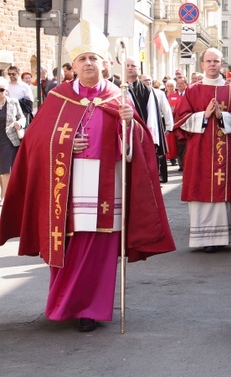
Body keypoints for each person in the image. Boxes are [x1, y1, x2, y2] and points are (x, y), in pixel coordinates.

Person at [0, 20, 175, 332]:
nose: (88, 63)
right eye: (83, 59)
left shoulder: (118, 98)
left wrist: (130, 125)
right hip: (68, 186)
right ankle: (65, 304)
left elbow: (140, 147)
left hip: (109, 183)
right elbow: (36, 142)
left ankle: (91, 310)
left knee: (100, 247)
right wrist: (64, 144)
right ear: (73, 65)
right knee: (71, 244)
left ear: (104, 64)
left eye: (94, 58)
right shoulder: (58, 97)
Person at [173, 48, 231, 252]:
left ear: (221, 63)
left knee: (225, 191)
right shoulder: (192, 90)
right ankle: (204, 239)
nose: (212, 64)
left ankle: (222, 237)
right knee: (201, 188)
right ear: (202, 64)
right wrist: (204, 116)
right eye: (209, 61)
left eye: (216, 61)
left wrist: (223, 116)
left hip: (227, 149)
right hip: (200, 150)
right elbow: (179, 120)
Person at [0, 77, 26, 203]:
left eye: (1, 89)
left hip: (9, 139)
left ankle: (5, 198)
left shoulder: (13, 102)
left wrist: (19, 124)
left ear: (6, 90)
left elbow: (23, 117)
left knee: (6, 169)